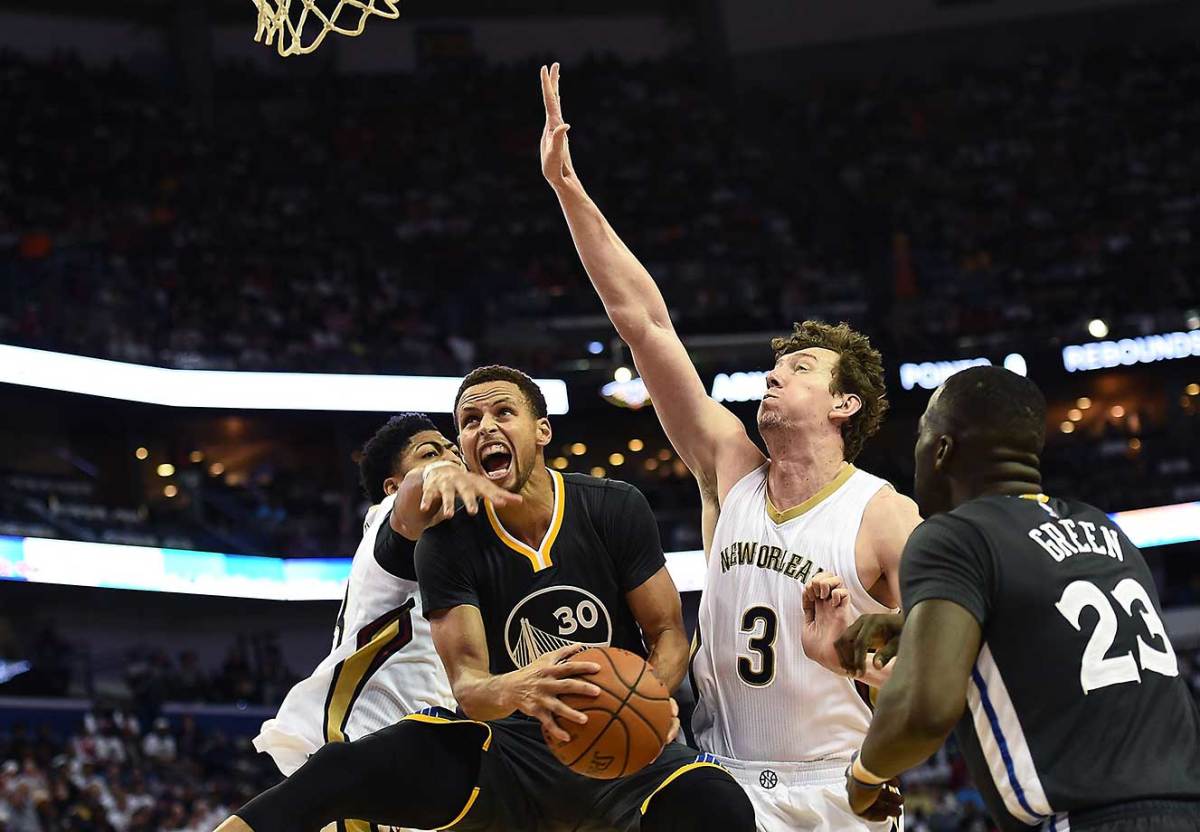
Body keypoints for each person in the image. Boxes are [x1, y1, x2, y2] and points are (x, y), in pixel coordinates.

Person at [539, 62, 915, 830]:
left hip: (836, 790)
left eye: (799, 371)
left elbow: (932, 680)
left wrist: (846, 649)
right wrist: (569, 190)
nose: (773, 381)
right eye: (772, 371)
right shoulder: (729, 465)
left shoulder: (885, 515)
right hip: (718, 786)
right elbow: (644, 323)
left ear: (845, 404)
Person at [218, 367, 755, 832]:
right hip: (511, 744)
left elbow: (666, 634)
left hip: (621, 743)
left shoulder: (614, 506)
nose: (482, 430)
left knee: (716, 798)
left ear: (542, 430)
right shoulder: (430, 528)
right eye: (468, 423)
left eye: (503, 413)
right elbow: (471, 687)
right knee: (352, 766)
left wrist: (648, 695)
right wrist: (522, 687)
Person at [839, 366, 1200, 830]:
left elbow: (925, 711)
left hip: (1086, 818)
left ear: (941, 450)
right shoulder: (1103, 529)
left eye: (921, 435)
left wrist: (865, 774)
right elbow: (1041, 611)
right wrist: (917, 621)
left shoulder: (952, 535)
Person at [246, 413, 515, 832]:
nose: (450, 457)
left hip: (424, 775)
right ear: (392, 485)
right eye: (430, 452)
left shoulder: (469, 561)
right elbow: (411, 502)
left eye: (450, 450)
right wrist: (436, 472)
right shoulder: (389, 517)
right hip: (365, 749)